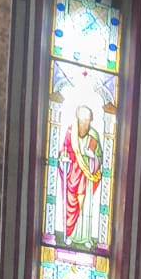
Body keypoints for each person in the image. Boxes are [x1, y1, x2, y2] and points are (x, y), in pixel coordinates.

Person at [59, 104, 103, 248]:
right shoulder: (70, 132)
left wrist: (93, 157)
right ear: (78, 119)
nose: (86, 123)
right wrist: (63, 158)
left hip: (87, 177)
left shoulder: (93, 135)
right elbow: (64, 151)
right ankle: (70, 235)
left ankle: (85, 238)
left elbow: (99, 157)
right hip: (72, 174)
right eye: (83, 120)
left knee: (86, 208)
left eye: (88, 120)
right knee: (71, 206)